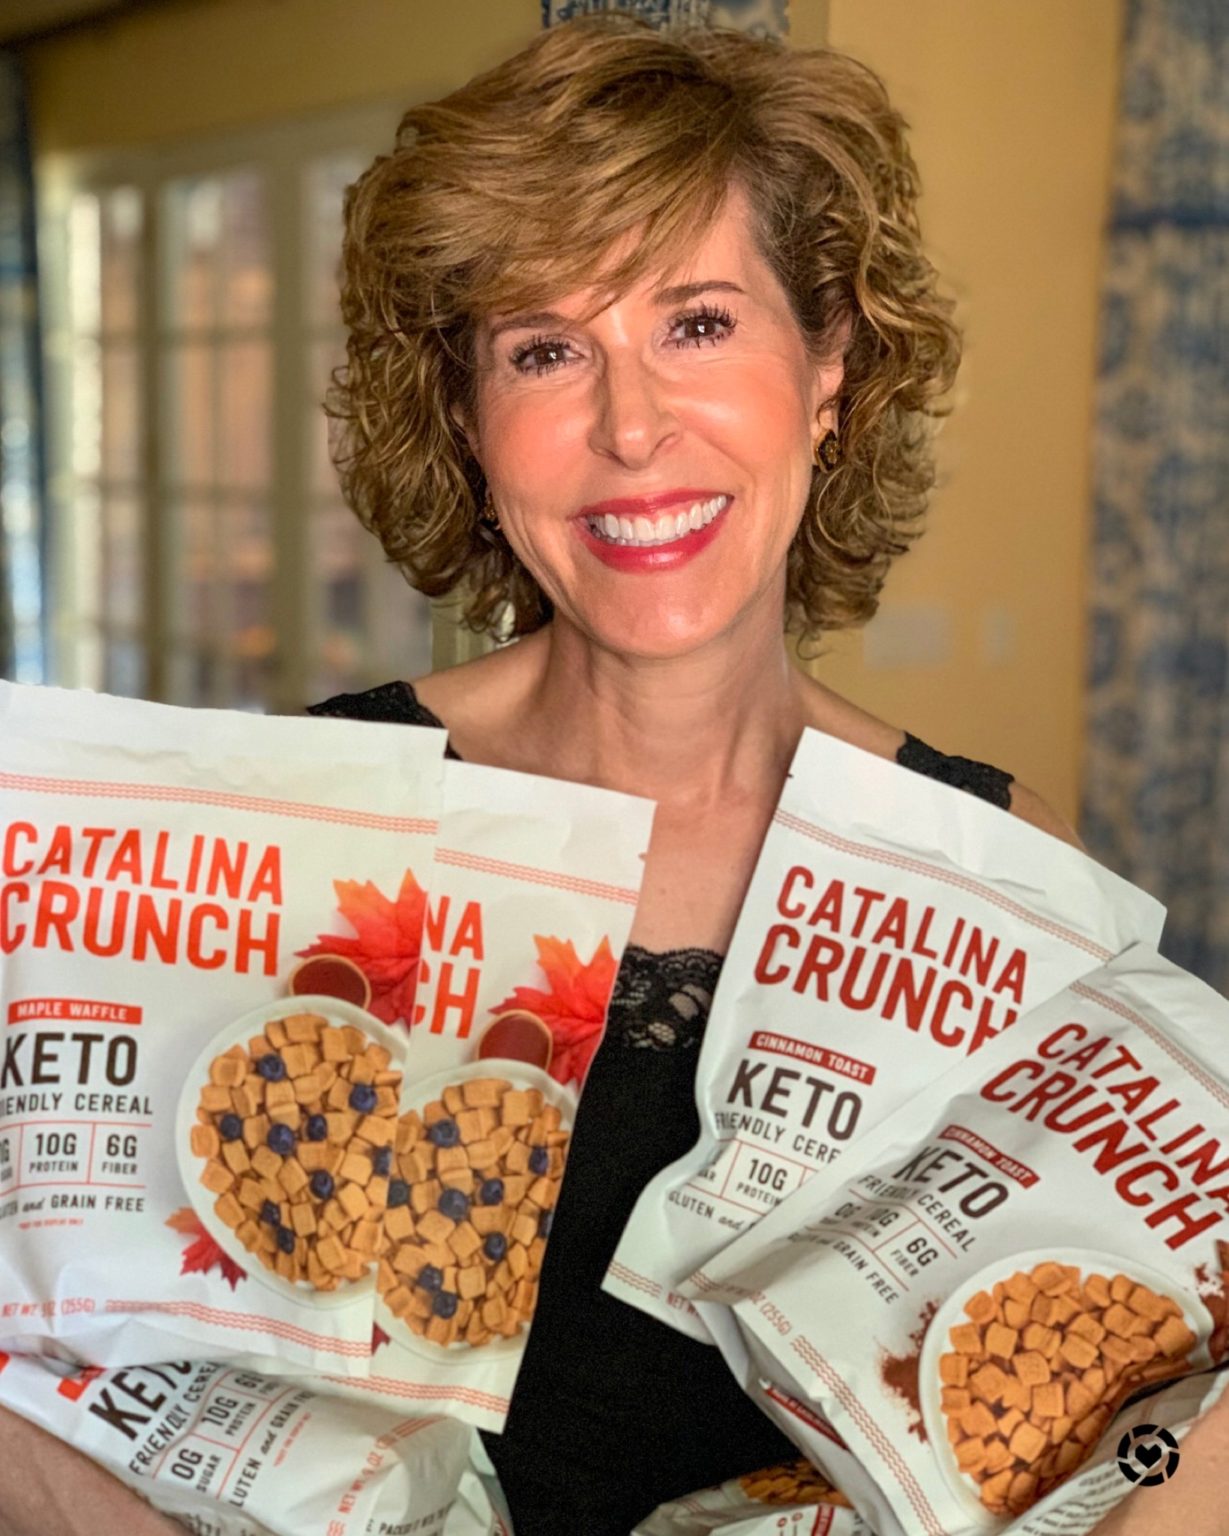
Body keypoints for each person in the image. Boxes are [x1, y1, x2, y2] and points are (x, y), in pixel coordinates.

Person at [0, 15, 1221, 1536]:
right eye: (545, 349)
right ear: (465, 417)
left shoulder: (989, 863)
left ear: (829, 365)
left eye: (697, 324)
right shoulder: (313, 814)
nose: (630, 424)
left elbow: (1144, 1419)